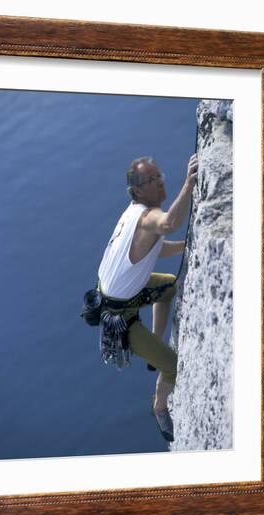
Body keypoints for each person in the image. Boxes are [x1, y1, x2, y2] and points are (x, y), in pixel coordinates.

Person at [97, 154, 198, 442]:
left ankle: (155, 340)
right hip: (120, 317)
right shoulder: (147, 217)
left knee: (167, 287)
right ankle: (159, 406)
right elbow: (166, 224)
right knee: (173, 366)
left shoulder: (133, 212)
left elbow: (155, 247)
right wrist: (188, 185)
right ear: (138, 190)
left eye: (159, 175)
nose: (160, 181)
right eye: (152, 180)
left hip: (120, 293)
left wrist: (185, 246)